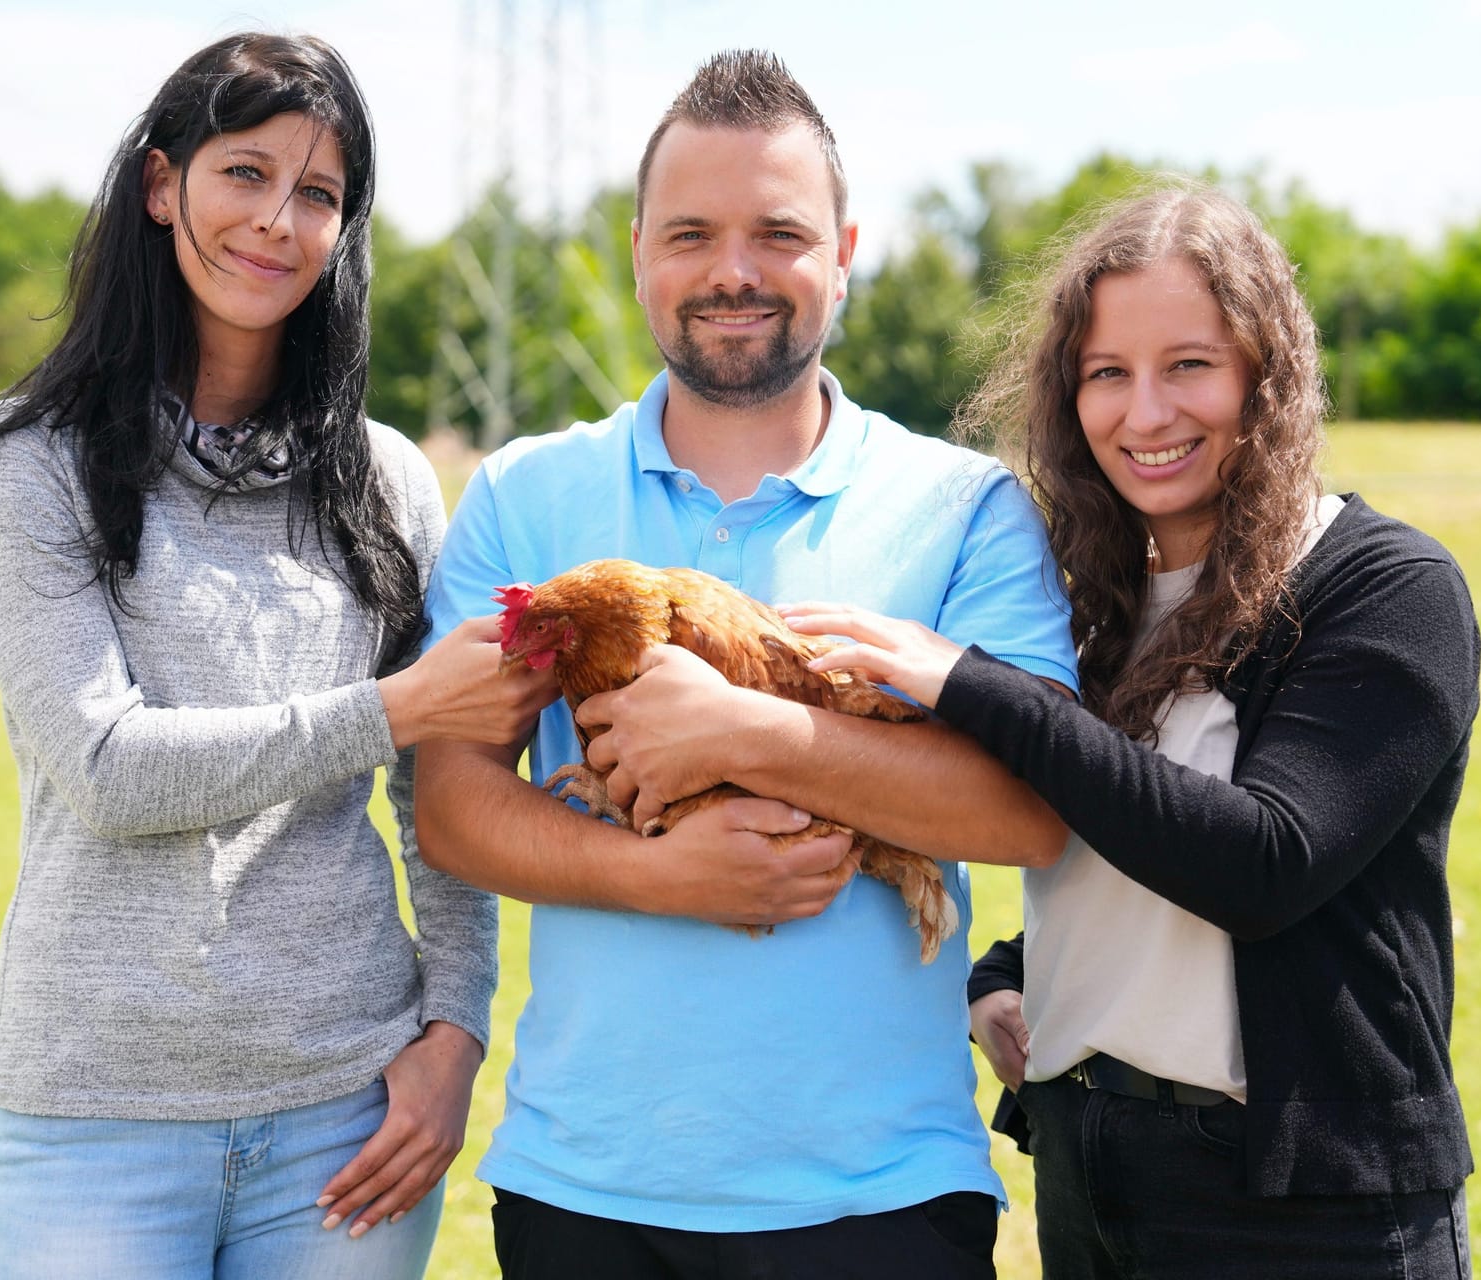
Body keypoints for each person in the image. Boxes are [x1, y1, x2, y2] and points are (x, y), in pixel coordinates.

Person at [416, 51, 1079, 1279]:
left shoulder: (963, 507)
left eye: (778, 231)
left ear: (845, 249)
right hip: (586, 1185)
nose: (732, 271)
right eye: (691, 234)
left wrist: (739, 734)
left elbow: (1035, 809)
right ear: (637, 254)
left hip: (882, 1193)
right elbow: (452, 806)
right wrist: (661, 874)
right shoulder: (524, 493)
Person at [784, 187, 1480, 1276]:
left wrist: (970, 681)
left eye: (1189, 364)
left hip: (1304, 1209)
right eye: (1107, 373)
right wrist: (1007, 971)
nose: (1145, 413)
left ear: (1268, 372)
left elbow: (1261, 859)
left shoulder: (1386, 588)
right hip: (1092, 1172)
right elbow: (1124, 839)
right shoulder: (1096, 601)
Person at [0, 33, 555, 1280]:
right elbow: (107, 766)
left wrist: (453, 1033)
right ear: (163, 184)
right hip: (99, 1112)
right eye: (245, 173)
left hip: (349, 1115)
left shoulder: (390, 480)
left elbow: (444, 790)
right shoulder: (33, 457)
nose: (278, 221)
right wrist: (388, 705)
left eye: (321, 194)